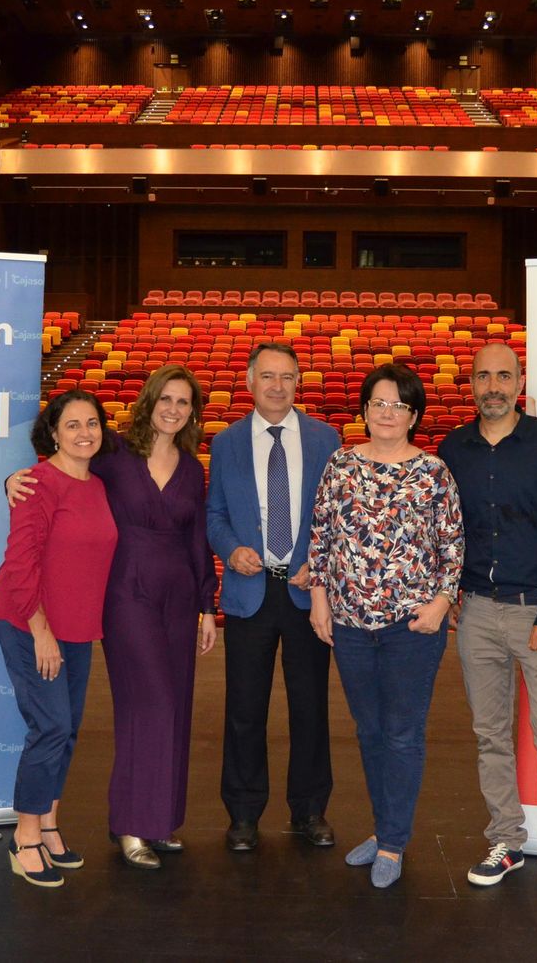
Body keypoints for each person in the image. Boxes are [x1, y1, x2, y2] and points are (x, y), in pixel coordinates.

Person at [5, 365, 219, 871]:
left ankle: (159, 821)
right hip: (126, 594)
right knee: (150, 704)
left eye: (183, 402)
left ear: (193, 412)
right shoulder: (114, 453)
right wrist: (14, 477)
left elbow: (196, 540)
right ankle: (129, 823)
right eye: (165, 398)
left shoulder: (192, 468)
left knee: (176, 706)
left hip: (179, 597)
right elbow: (60, 466)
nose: (173, 408)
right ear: (148, 401)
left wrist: (208, 605)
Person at [437, 341, 537, 912]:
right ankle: (505, 840)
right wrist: (449, 594)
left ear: (520, 379)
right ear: (471, 384)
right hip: (476, 611)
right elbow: (444, 529)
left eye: (504, 375)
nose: (493, 385)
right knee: (491, 737)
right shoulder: (455, 448)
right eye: (483, 377)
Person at [307, 364, 463, 888]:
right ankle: (384, 827)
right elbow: (322, 539)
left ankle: (393, 842)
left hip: (411, 627)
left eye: (398, 405)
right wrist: (320, 600)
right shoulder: (340, 466)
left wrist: (441, 604)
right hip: (350, 625)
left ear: (414, 414)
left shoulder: (433, 473)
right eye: (378, 403)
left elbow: (452, 547)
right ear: (364, 411)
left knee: (401, 733)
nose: (387, 412)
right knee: (370, 732)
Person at [206, 342, 340, 852]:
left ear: (298, 381)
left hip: (308, 593)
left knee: (310, 708)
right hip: (249, 592)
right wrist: (231, 548)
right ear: (249, 381)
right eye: (268, 376)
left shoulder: (326, 439)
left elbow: (335, 517)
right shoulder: (226, 443)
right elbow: (214, 514)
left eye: (287, 376)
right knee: (244, 709)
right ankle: (242, 814)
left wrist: (320, 563)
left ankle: (310, 811)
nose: (277, 386)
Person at [0, 390, 118, 889]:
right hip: (29, 621)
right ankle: (24, 838)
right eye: (72, 425)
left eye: (92, 423)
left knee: (69, 729)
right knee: (51, 727)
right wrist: (40, 630)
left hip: (79, 624)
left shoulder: (100, 485)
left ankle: (50, 824)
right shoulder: (38, 484)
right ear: (53, 434)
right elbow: (20, 564)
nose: (84, 433)